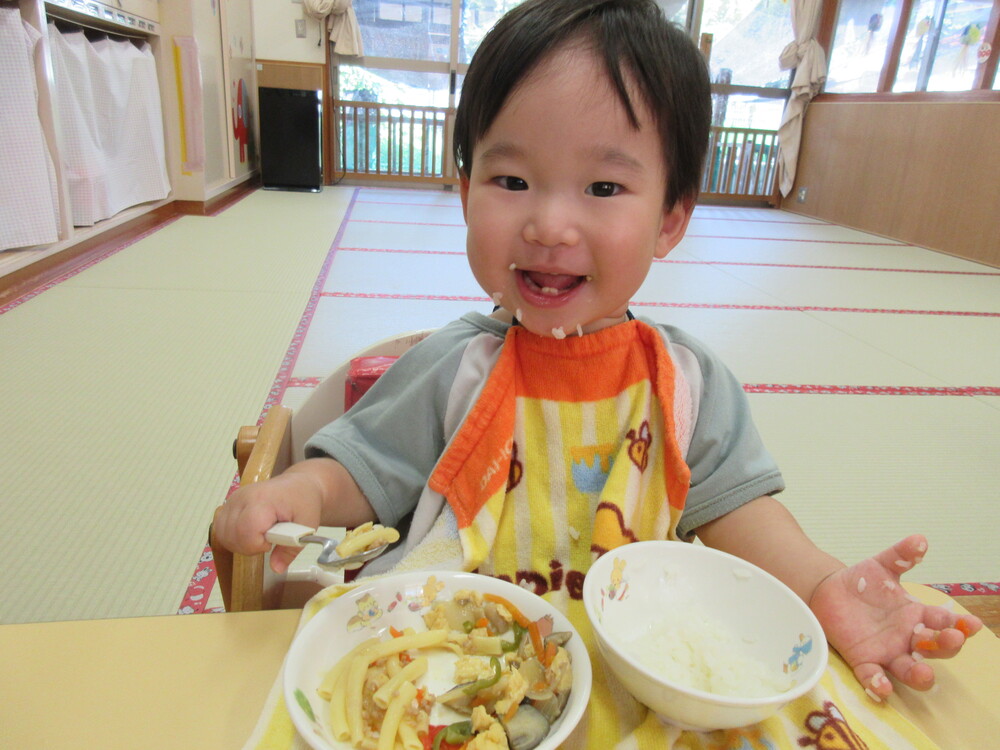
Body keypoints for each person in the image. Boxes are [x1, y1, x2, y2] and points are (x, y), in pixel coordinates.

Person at [214, 0, 981, 742]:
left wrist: (822, 587)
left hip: (629, 677)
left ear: (671, 218)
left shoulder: (686, 383)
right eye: (510, 181)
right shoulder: (452, 368)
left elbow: (741, 518)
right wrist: (293, 491)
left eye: (604, 188)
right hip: (450, 675)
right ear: (464, 191)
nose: (549, 224)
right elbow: (360, 475)